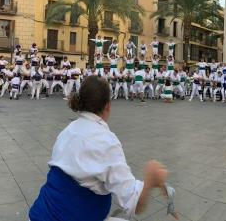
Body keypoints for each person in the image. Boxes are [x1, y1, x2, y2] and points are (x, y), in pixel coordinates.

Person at [29, 76, 169, 221]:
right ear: (108, 105)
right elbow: (134, 204)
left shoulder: (67, 131)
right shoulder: (106, 142)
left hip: (38, 215)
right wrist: (150, 180)